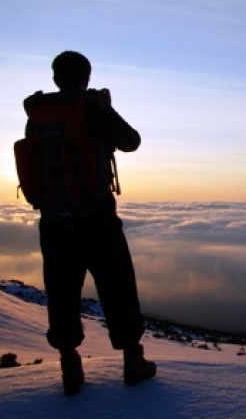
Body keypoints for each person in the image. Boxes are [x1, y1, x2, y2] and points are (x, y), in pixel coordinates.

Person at [26, 51, 156, 395]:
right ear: (86, 77)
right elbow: (131, 141)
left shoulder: (38, 114)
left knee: (61, 290)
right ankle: (132, 361)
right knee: (118, 287)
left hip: (53, 221)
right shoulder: (91, 109)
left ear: (55, 79)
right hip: (97, 217)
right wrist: (103, 108)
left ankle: (70, 366)